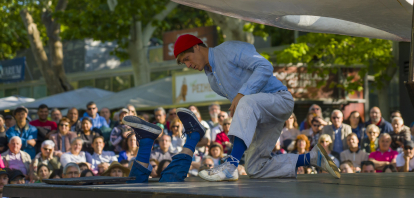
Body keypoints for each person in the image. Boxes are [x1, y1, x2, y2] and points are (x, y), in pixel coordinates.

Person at [125, 35, 339, 185]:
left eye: (187, 58)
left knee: (246, 102)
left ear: (197, 47)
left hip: (280, 99)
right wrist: (243, 105)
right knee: (256, 168)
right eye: (183, 63)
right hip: (263, 112)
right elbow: (246, 105)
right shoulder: (213, 80)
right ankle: (312, 159)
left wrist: (242, 95)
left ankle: (230, 166)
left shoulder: (228, 49)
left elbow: (264, 66)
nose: (187, 64)